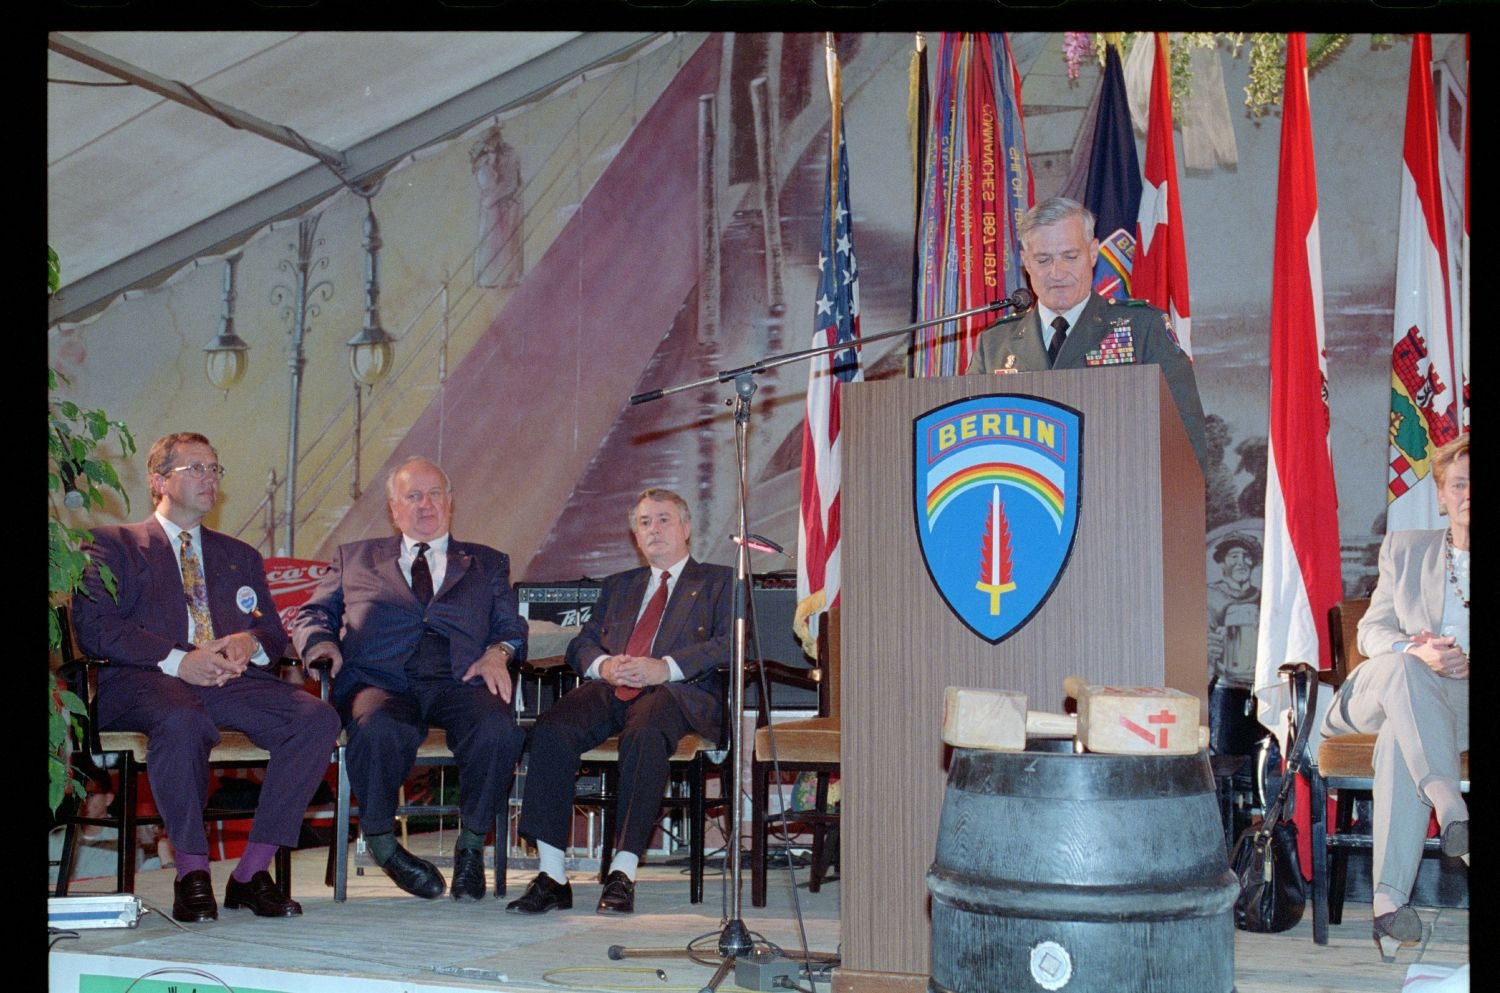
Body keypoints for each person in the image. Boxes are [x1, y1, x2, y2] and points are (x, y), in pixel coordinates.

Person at [71, 432, 341, 922]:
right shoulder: (112, 545)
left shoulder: (238, 554)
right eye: (194, 468)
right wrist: (179, 660)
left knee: (316, 719)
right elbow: (96, 628)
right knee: (181, 719)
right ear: (158, 481)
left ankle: (250, 874)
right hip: (142, 682)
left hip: (227, 683)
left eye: (214, 469)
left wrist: (248, 644)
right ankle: (191, 871)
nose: (208, 478)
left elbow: (272, 633)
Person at [292, 456, 528, 901]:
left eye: (435, 494)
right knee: (378, 728)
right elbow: (312, 613)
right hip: (381, 679)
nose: (426, 505)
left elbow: (510, 626)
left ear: (451, 502)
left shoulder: (486, 562)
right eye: (413, 496)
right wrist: (320, 644)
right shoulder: (355, 557)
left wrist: (501, 652)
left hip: (460, 678)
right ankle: (385, 846)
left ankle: (472, 846)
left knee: (498, 729)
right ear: (394, 509)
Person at [507, 488, 732, 915]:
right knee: (551, 730)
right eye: (644, 522)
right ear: (635, 535)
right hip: (614, 686)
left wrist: (665, 667)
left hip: (676, 692)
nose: (654, 529)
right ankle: (552, 874)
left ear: (686, 528)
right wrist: (604, 666)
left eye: (664, 519)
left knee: (645, 732)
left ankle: (622, 871)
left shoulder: (718, 582)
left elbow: (730, 645)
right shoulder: (620, 586)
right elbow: (582, 644)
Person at [1319, 433, 1469, 960]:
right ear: (1443, 494)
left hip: (1457, 706)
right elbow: (1370, 632)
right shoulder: (1406, 550)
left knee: (1399, 744)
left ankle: (1386, 909)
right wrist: (1415, 649)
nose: (1468, 493)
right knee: (1406, 671)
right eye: (1459, 483)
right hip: (1380, 688)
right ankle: (1448, 800)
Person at [966, 197, 1208, 472]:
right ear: (1025, 262)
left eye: (1070, 257)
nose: (1057, 273)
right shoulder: (996, 344)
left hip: (1121, 501)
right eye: (1043, 260)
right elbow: (973, 443)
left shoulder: (1142, 327)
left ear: (1093, 253)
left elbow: (1186, 437)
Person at [1207, 535, 1262, 688]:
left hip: (1258, 685)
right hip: (1223, 685)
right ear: (1222, 562)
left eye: (1247, 557)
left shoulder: (1263, 597)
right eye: (1234, 556)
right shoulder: (1210, 596)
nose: (1241, 563)